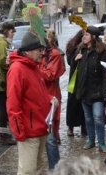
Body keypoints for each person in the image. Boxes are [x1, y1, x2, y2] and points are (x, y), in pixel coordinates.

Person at [7, 31, 58, 175]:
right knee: (28, 171)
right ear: (28, 51)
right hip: (28, 131)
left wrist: (49, 99)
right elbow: (13, 104)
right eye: (38, 50)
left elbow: (39, 93)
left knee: (38, 169)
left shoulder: (34, 67)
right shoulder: (17, 69)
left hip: (40, 127)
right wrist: (19, 132)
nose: (42, 53)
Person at [75, 26, 106, 152]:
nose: (83, 37)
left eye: (86, 35)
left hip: (97, 91)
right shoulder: (81, 50)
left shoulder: (102, 52)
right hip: (84, 91)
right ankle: (91, 140)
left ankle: (101, 142)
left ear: (93, 37)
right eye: (83, 35)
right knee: (88, 118)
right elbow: (75, 70)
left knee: (98, 117)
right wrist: (76, 60)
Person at [38, 29, 65, 169]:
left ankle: (56, 169)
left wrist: (34, 69)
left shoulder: (54, 54)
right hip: (36, 98)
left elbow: (50, 75)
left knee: (50, 138)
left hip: (51, 98)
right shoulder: (37, 54)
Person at [0, 22, 16, 145]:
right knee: (3, 107)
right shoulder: (1, 43)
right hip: (1, 80)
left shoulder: (0, 42)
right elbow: (2, 61)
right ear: (6, 31)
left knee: (1, 106)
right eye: (12, 32)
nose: (13, 34)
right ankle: (3, 134)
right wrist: (11, 64)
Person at [65, 30, 86, 137]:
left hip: (85, 79)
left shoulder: (88, 46)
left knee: (84, 104)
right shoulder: (72, 46)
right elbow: (69, 61)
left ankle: (84, 127)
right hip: (74, 78)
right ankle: (71, 127)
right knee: (73, 103)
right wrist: (75, 58)